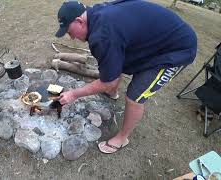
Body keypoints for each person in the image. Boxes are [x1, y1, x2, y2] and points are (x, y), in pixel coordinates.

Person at [55, 0, 197, 154]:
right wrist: (109, 83)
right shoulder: (98, 12)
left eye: (69, 32)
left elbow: (108, 81)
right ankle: (112, 93)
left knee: (135, 97)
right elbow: (112, 63)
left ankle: (122, 138)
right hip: (157, 40)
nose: (72, 38)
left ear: (79, 21)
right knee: (114, 63)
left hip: (176, 49)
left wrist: (74, 94)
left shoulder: (103, 36)